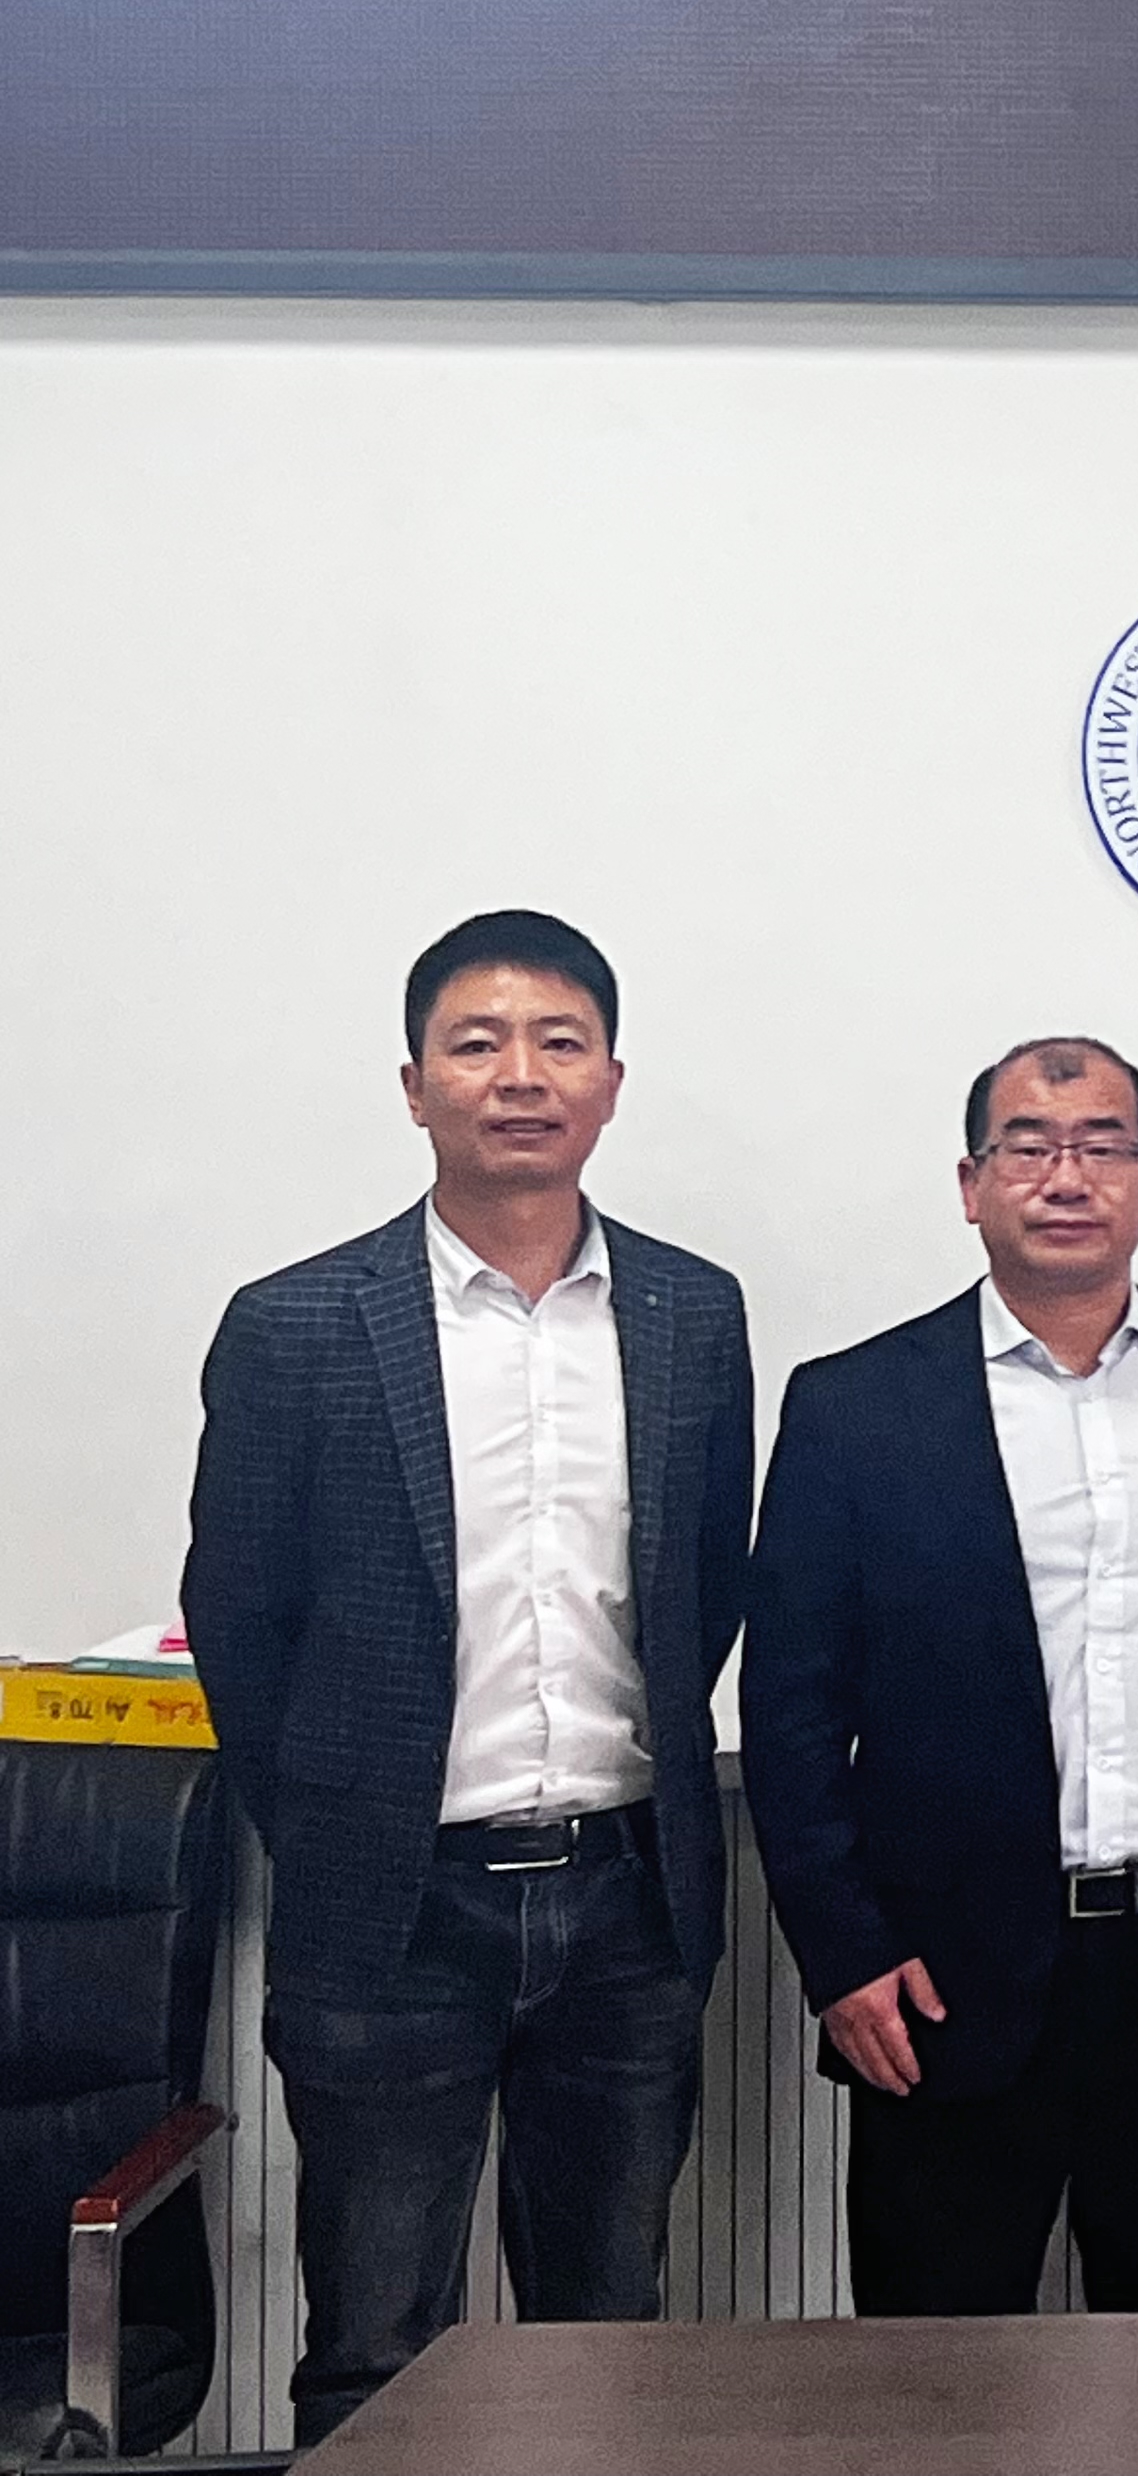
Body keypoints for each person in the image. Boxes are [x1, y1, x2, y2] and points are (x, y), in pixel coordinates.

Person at [182, 911, 754, 2442]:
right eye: (478, 1043)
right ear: (415, 1085)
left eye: (560, 1042)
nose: (520, 1075)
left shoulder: (693, 1313)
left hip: (628, 1901)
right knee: (375, 2353)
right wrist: (341, 1826)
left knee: (608, 2334)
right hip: (394, 1912)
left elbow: (708, 1582)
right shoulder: (296, 1324)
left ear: (611, 1082)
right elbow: (238, 1615)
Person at [742, 1037, 1138, 2317]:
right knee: (934, 2379)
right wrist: (843, 1955)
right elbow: (789, 1713)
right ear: (971, 1183)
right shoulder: (855, 1407)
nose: (1066, 1176)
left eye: (1102, 1146)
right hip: (938, 1979)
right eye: (1029, 1147)